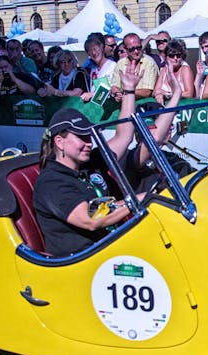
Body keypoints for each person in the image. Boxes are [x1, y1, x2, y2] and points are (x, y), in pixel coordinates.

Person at [32, 62, 143, 256]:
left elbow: (124, 135)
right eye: (81, 137)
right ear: (59, 141)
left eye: (89, 136)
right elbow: (90, 220)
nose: (89, 142)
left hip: (109, 249)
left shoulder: (87, 163)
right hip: (80, 260)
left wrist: (129, 91)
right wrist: (138, 200)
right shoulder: (52, 181)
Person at [110, 33, 159, 101]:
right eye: (132, 49)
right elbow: (114, 85)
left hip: (144, 104)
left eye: (138, 48)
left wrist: (126, 92)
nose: (136, 51)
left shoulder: (149, 63)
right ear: (126, 49)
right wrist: (116, 93)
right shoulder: (120, 63)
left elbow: (147, 92)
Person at [153, 39, 194, 105]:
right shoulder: (163, 70)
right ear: (166, 57)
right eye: (172, 55)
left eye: (178, 55)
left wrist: (167, 95)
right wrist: (159, 94)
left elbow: (189, 94)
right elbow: (155, 91)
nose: (175, 58)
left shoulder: (185, 69)